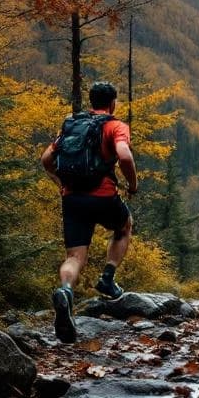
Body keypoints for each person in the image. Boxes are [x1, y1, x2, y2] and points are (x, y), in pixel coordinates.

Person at [40, 81, 138, 343]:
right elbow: (124, 156)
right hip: (103, 195)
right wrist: (133, 184)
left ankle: (66, 291)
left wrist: (61, 184)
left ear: (91, 101)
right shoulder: (115, 126)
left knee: (74, 256)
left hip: (72, 198)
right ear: (112, 103)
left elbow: (46, 159)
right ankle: (107, 279)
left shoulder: (72, 124)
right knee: (124, 225)